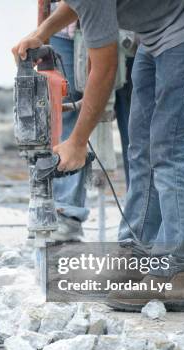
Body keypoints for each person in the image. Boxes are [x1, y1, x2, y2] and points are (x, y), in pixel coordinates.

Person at [12, 0, 184, 311]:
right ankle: (138, 253)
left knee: (172, 148)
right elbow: (78, 3)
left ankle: (178, 271)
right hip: (159, 30)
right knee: (142, 146)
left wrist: (77, 142)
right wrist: (43, 31)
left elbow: (103, 71)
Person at [48, 10, 135, 243]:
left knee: (137, 125)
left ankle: (142, 222)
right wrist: (44, 30)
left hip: (130, 26)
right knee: (66, 115)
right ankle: (65, 214)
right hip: (64, 29)